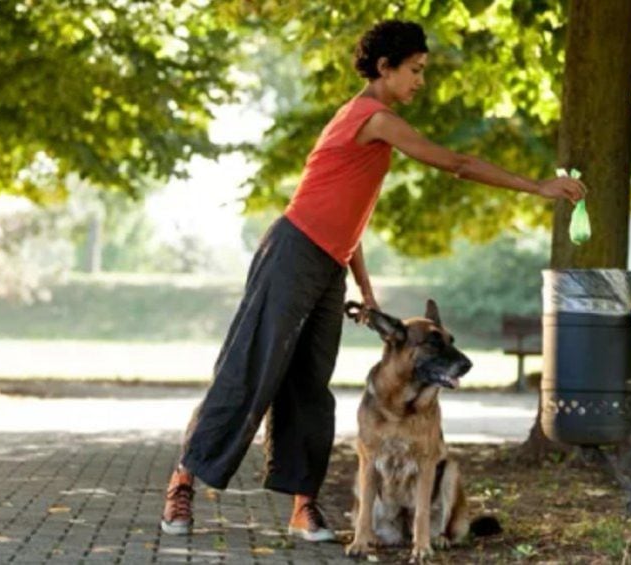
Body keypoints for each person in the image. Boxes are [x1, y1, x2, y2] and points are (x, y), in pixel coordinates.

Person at [160, 19, 585, 541]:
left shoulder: (374, 129)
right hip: (291, 252)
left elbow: (350, 218)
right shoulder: (370, 117)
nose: (420, 81)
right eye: (414, 70)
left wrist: (363, 287)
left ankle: (303, 506)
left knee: (311, 385)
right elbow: (456, 162)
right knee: (251, 369)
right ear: (384, 68)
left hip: (328, 264)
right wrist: (538, 187)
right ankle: (182, 483)